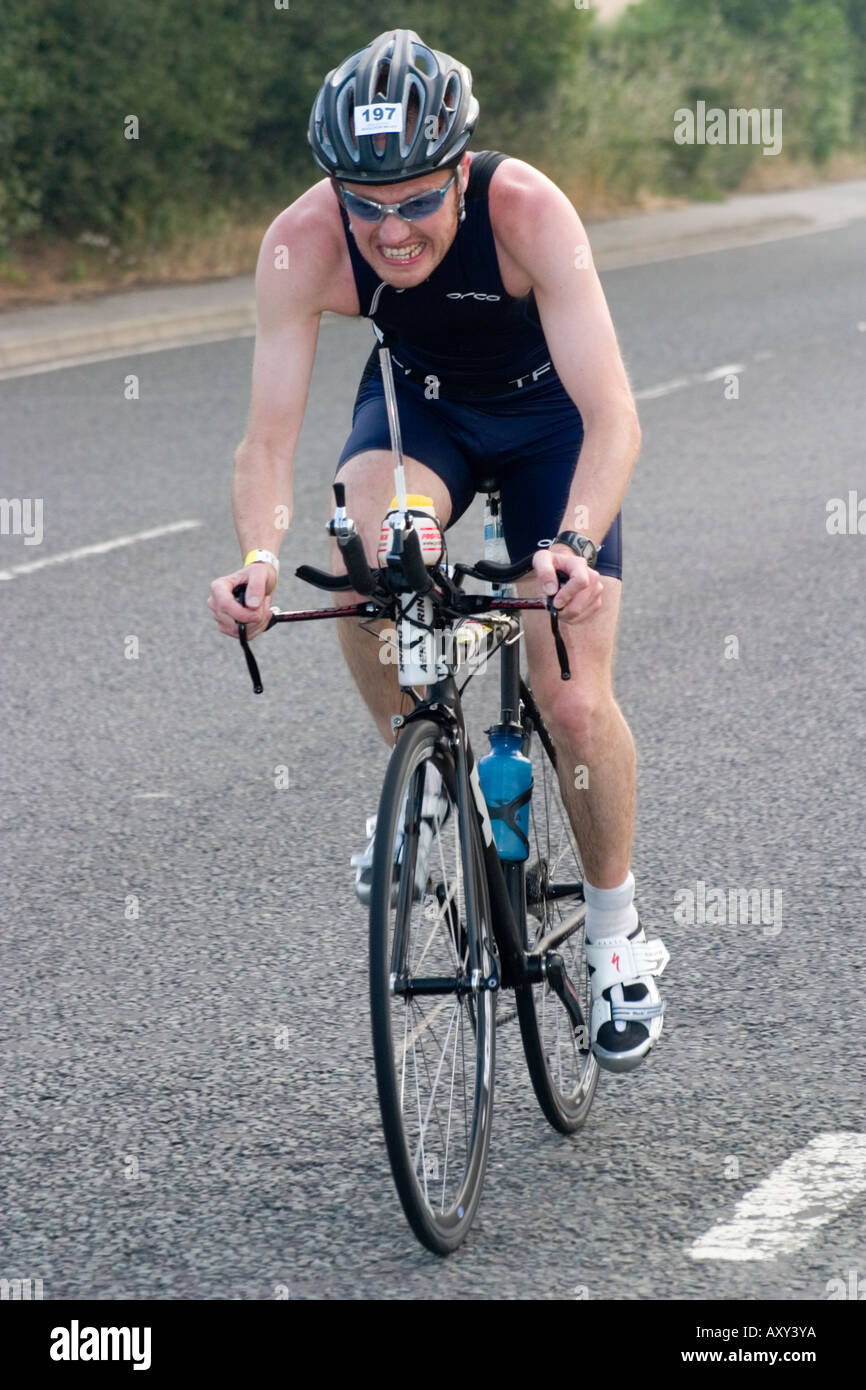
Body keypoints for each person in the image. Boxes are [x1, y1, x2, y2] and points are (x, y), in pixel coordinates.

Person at [208, 28, 669, 1072]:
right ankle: (421, 785)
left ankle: (613, 936)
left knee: (571, 703)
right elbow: (268, 438)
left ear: (459, 170)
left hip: (551, 426)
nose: (390, 230)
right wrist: (258, 557)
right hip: (422, 417)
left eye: (416, 198)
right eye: (364, 204)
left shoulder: (526, 211)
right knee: (370, 563)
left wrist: (570, 545)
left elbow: (613, 415)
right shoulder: (301, 242)